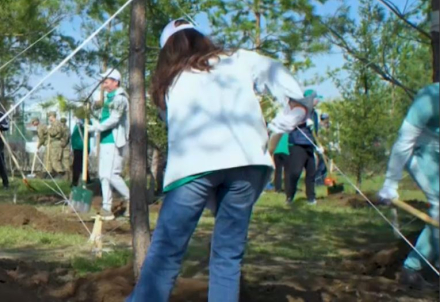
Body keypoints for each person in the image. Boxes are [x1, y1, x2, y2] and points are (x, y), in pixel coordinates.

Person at [127, 20, 310, 302]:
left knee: (166, 254)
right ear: (200, 38)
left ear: (167, 51)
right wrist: (295, 107)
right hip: (247, 162)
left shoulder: (168, 83)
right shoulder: (237, 59)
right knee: (228, 256)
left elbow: (170, 122)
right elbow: (277, 73)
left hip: (193, 168)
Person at [377, 83, 439, 289]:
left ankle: (428, 265)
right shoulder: (429, 98)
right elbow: (404, 141)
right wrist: (390, 183)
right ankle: (412, 269)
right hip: (420, 150)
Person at [87, 69, 131, 220]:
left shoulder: (120, 99)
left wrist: (95, 128)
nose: (104, 84)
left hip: (114, 141)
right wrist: (90, 117)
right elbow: (103, 117)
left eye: (106, 81)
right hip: (105, 141)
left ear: (115, 82)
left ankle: (131, 199)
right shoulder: (108, 98)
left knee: (112, 175)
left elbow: (114, 120)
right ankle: (107, 208)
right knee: (103, 176)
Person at [284, 89, 321, 205]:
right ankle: (289, 196)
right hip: (298, 144)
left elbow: (315, 131)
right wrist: (303, 122)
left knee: (311, 172)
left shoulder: (314, 113)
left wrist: (318, 145)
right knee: (295, 172)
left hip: (310, 144)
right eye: (316, 98)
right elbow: (290, 123)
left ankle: (311, 197)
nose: (318, 100)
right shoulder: (299, 109)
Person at [39, 111, 69, 177]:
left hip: (56, 144)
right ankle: (48, 174)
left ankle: (62, 175)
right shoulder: (53, 124)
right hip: (52, 144)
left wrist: (49, 129)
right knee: (49, 160)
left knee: (55, 161)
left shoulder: (57, 123)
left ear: (52, 116)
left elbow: (54, 132)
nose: (49, 118)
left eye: (49, 116)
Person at [71, 117, 91, 187]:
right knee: (80, 166)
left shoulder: (86, 121)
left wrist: (82, 124)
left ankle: (75, 182)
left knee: (77, 166)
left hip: (82, 147)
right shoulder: (76, 124)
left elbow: (89, 129)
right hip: (77, 147)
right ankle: (88, 181)